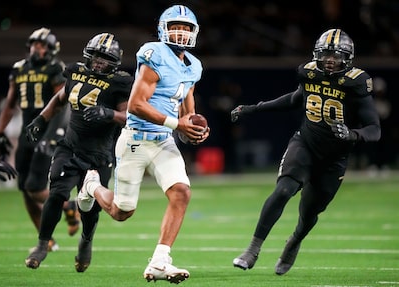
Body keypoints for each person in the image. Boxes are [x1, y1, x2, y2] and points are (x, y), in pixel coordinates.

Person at [230, 29, 381, 275]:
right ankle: (252, 249)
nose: (330, 59)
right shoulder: (308, 72)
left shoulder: (356, 82)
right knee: (283, 190)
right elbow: (295, 99)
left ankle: (295, 240)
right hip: (305, 144)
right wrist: (253, 108)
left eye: (336, 55)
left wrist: (353, 134)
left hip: (334, 158)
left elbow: (375, 129)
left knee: (309, 214)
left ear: (348, 58)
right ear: (317, 54)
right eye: (326, 54)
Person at [77, 5, 209, 284]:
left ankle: (160, 260)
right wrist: (178, 125)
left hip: (163, 142)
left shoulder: (193, 66)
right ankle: (91, 185)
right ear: (163, 28)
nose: (181, 32)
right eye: (176, 26)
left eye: (186, 28)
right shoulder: (154, 53)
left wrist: (193, 129)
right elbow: (136, 105)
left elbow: (187, 110)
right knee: (122, 212)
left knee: (182, 192)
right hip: (135, 140)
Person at [24, 32, 133, 272]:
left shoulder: (120, 82)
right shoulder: (76, 72)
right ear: (89, 55)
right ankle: (42, 244)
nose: (100, 62)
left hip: (99, 156)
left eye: (105, 58)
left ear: (114, 61)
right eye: (96, 56)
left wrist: (109, 114)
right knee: (56, 194)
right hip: (70, 148)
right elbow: (61, 97)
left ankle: (86, 241)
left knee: (90, 209)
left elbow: (129, 117)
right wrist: (41, 119)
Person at [0, 27, 80, 251]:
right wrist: (0, 131)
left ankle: (68, 206)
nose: (36, 48)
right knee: (24, 188)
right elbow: (10, 102)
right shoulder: (19, 69)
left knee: (35, 186)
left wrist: (50, 136)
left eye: (41, 45)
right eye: (34, 44)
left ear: (51, 49)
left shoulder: (55, 69)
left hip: (46, 131)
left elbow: (61, 105)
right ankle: (47, 239)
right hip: (26, 133)